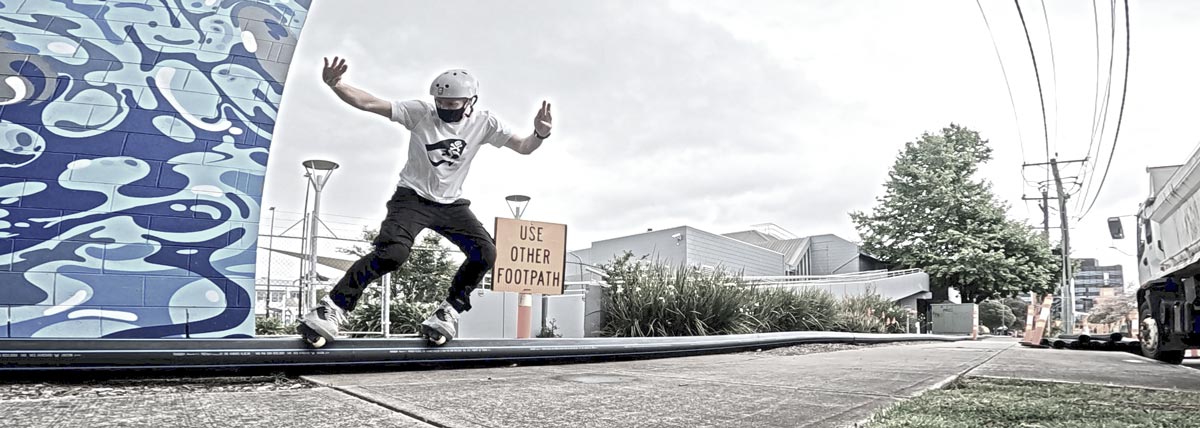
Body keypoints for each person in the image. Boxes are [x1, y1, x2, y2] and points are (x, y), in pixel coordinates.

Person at [299, 57, 553, 346]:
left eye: (452, 104)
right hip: (412, 199)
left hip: (452, 204)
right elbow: (371, 103)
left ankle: (449, 311)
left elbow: (522, 147)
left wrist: (540, 133)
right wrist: (337, 85)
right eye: (441, 103)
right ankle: (331, 307)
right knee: (392, 254)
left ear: (470, 101)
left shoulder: (485, 123)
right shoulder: (420, 113)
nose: (444, 109)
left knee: (485, 253)